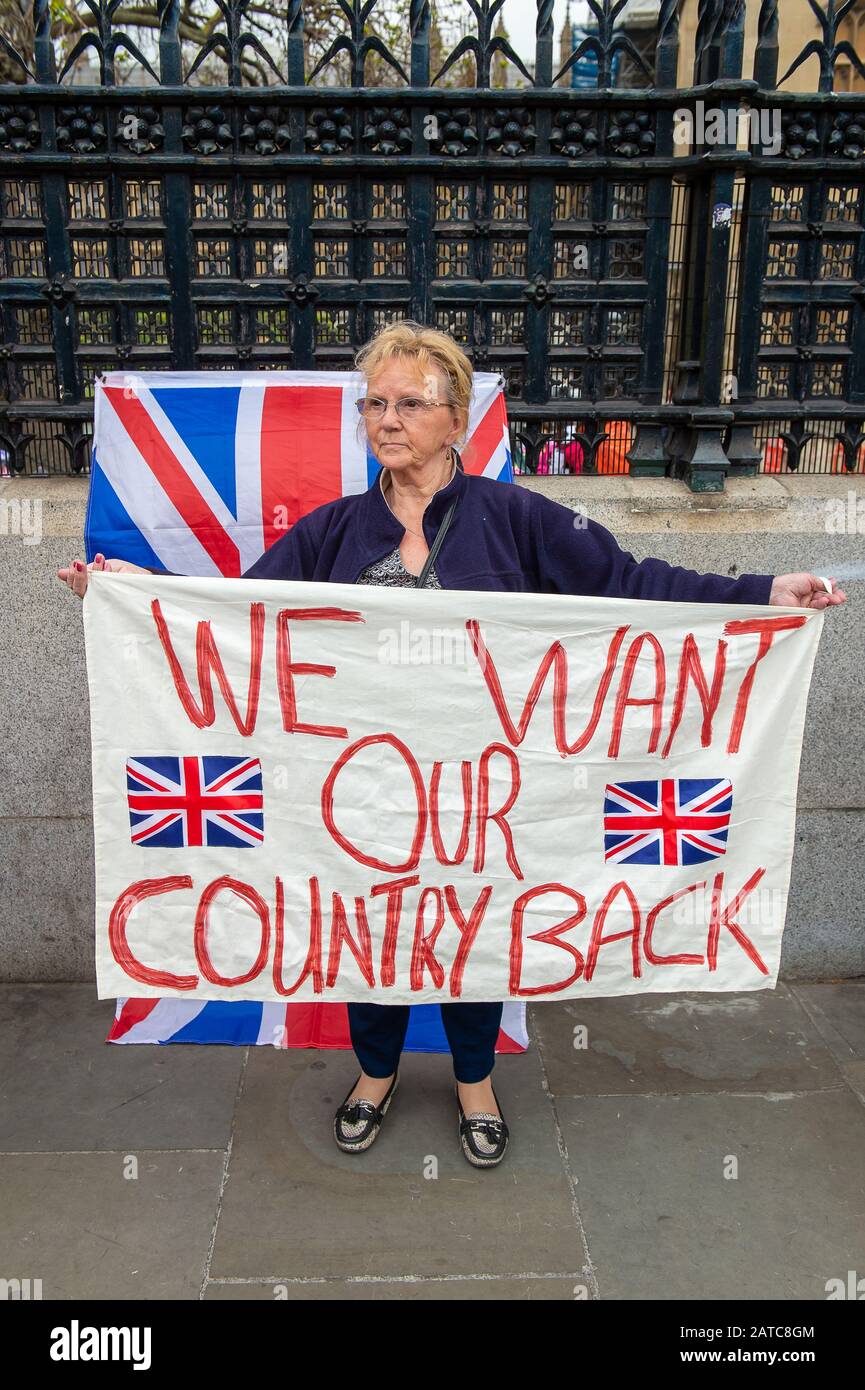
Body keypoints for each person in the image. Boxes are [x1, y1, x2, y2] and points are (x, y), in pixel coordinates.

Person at [58, 321, 847, 1169]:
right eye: (374, 404)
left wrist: (763, 591)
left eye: (408, 404)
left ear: (456, 419)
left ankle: (475, 1079)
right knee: (368, 928)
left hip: (483, 793)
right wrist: (139, 596)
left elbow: (632, 584)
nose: (386, 420)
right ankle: (374, 1074)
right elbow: (241, 619)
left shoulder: (517, 519)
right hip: (356, 790)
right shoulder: (331, 532)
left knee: (475, 929)